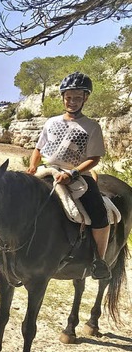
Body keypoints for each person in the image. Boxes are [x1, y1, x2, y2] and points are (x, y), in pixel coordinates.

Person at [26, 72, 110, 280]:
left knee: (100, 215)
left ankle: (99, 261)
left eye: (77, 98)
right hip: (48, 169)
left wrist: (73, 173)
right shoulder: (51, 122)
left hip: (77, 174)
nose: (72, 102)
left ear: (85, 98)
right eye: (69, 97)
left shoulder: (92, 127)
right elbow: (38, 148)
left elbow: (94, 158)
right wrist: (32, 166)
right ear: (63, 97)